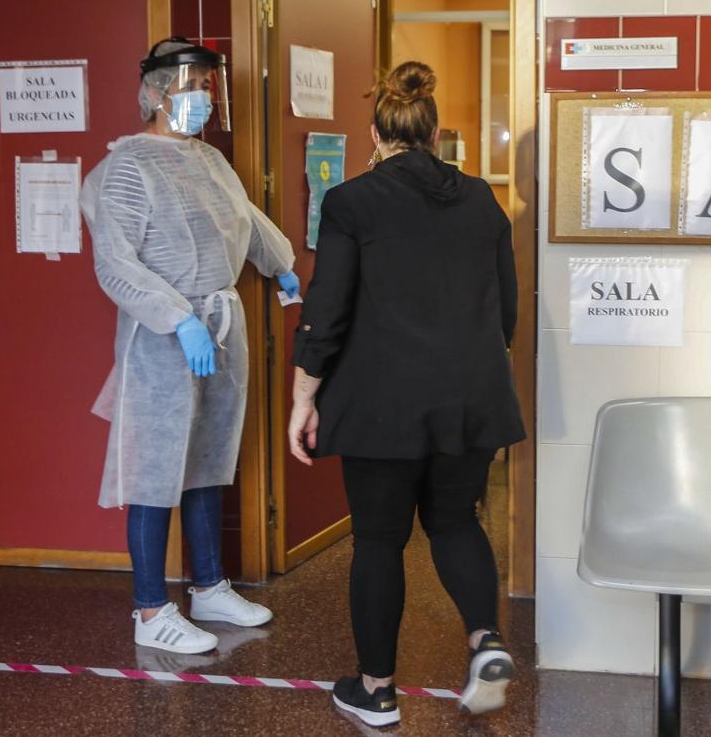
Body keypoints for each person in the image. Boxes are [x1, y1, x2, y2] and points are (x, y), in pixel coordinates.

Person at [286, 61, 525, 727]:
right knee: (455, 520)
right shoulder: (481, 199)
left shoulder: (352, 202)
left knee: (380, 540)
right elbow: (505, 312)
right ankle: (485, 640)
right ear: (435, 132)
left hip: (381, 405)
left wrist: (305, 397)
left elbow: (326, 310)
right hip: (470, 399)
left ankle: (378, 692)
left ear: (375, 132)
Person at [81, 37, 299, 654]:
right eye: (189, 85)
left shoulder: (208, 160)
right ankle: (151, 610)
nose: (201, 96)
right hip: (163, 338)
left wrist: (278, 263)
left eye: (207, 85)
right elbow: (116, 264)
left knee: (209, 458)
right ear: (153, 93)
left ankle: (208, 586)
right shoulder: (128, 166)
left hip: (222, 324)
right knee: (154, 471)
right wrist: (178, 319)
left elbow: (245, 216)